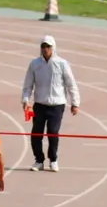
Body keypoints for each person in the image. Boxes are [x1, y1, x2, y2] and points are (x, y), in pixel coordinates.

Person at [22, 35, 80, 173]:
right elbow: (28, 85)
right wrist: (25, 100)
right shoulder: (34, 64)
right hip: (40, 104)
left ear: (53, 48)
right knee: (36, 133)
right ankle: (39, 160)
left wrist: (75, 103)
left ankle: (53, 160)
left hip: (57, 105)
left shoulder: (62, 64)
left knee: (53, 133)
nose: (45, 49)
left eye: (48, 46)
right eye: (43, 46)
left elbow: (71, 84)